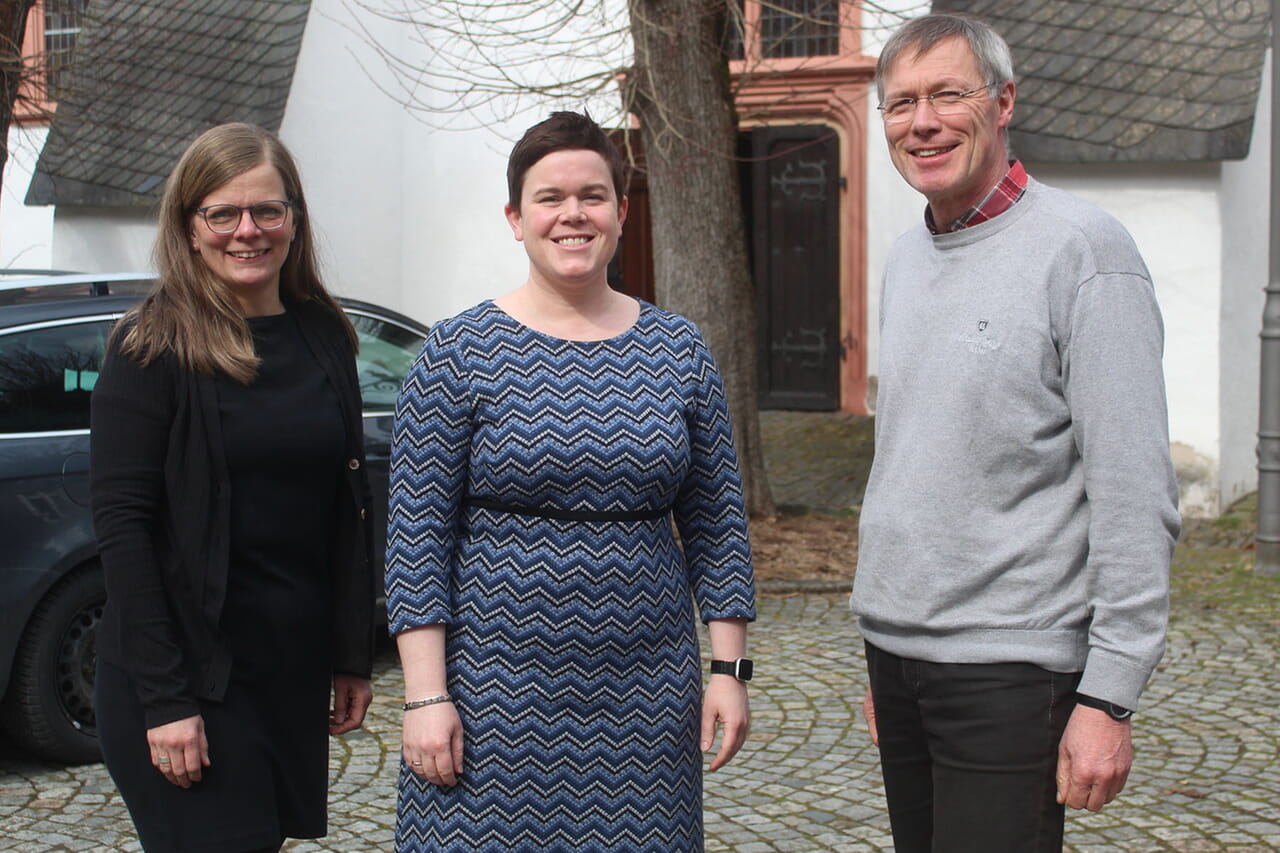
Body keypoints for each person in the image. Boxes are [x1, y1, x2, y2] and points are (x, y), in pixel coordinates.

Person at [850, 13, 1181, 852]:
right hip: (900, 659)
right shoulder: (904, 258)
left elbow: (1134, 489)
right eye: (900, 104)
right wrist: (886, 648)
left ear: (1003, 103)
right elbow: (914, 461)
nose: (920, 122)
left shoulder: (1084, 252)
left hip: (1013, 670)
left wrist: (1108, 696)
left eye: (947, 95)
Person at [385, 110, 757, 852]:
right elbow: (414, 539)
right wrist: (427, 695)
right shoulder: (458, 352)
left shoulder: (678, 349)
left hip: (648, 696)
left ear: (622, 211)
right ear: (515, 218)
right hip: (492, 693)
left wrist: (729, 668)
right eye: (550, 197)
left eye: (592, 195)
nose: (572, 214)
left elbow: (718, 524)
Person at [90, 122, 376, 853]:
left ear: (294, 220)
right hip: (186, 677)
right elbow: (123, 531)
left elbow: (345, 511)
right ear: (190, 226)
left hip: (286, 665)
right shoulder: (151, 345)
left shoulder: (323, 333)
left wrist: (348, 653)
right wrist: (165, 700)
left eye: (267, 210)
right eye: (223, 213)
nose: (247, 230)